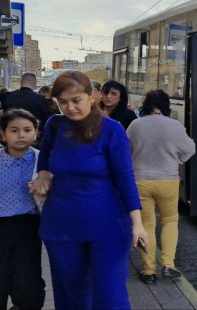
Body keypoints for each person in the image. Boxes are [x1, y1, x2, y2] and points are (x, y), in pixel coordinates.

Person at [28, 71, 148, 310]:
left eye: (76, 100)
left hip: (108, 226)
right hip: (61, 226)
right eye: (62, 102)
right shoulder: (54, 126)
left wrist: (138, 222)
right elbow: (45, 160)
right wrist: (43, 177)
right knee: (70, 295)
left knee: (109, 295)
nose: (69, 108)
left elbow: (125, 178)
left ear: (92, 96)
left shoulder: (112, 130)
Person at [127, 90, 195, 284]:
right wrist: (177, 159)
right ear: (166, 106)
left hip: (140, 180)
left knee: (146, 225)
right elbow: (190, 149)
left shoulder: (135, 125)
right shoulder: (174, 125)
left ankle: (149, 271)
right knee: (170, 220)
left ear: (146, 105)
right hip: (168, 180)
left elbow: (125, 149)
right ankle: (168, 265)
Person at [0, 109, 46, 310]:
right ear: (3, 134)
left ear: (36, 133)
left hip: (28, 228)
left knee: (28, 284)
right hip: (1, 226)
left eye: (27, 130)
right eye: (14, 130)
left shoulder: (42, 161)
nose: (21, 135)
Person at [1, 73, 52, 142]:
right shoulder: (40, 99)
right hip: (34, 139)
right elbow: (47, 121)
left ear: (21, 83)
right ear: (35, 84)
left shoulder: (8, 97)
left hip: (12, 139)